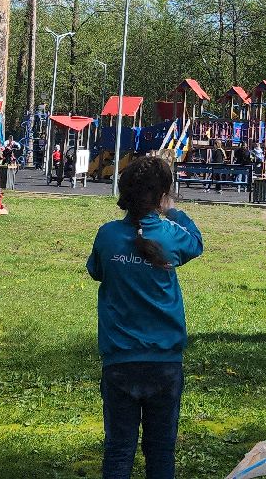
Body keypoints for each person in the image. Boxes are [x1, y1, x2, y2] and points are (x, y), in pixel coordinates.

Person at [87, 155, 202, 479]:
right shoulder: (170, 235)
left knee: (119, 450)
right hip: (164, 361)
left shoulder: (107, 235)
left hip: (119, 360)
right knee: (161, 451)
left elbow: (96, 270)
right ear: (162, 195)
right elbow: (196, 242)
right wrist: (174, 210)